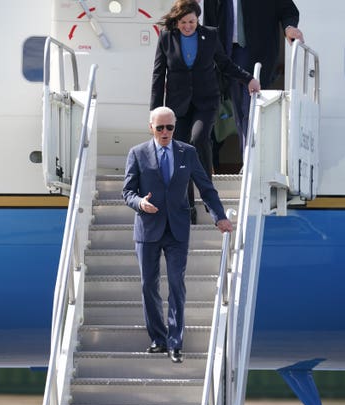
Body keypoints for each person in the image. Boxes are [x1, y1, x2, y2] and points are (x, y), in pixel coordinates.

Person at [122, 106, 233, 363]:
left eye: (169, 127)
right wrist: (140, 203)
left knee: (176, 284)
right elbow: (127, 192)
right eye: (159, 127)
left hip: (177, 229)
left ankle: (175, 343)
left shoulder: (188, 152)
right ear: (151, 127)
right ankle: (158, 339)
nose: (164, 132)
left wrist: (219, 217)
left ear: (174, 128)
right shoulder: (137, 154)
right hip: (148, 229)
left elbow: (206, 188)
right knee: (148, 285)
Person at [150, 0, 260, 223]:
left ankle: (209, 197)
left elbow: (225, 63)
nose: (188, 26)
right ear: (177, 21)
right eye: (183, 22)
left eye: (192, 21)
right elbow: (158, 75)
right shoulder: (166, 38)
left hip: (206, 102)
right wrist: (155, 113)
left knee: (198, 139)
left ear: (197, 19)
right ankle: (188, 206)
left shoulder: (209, 35)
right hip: (176, 107)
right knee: (179, 152)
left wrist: (247, 78)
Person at [203, 0, 304, 151]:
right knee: (239, 111)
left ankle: (250, 159)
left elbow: (288, 9)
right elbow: (209, 21)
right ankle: (248, 158)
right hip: (227, 54)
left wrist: (289, 27)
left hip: (255, 52)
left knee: (248, 107)